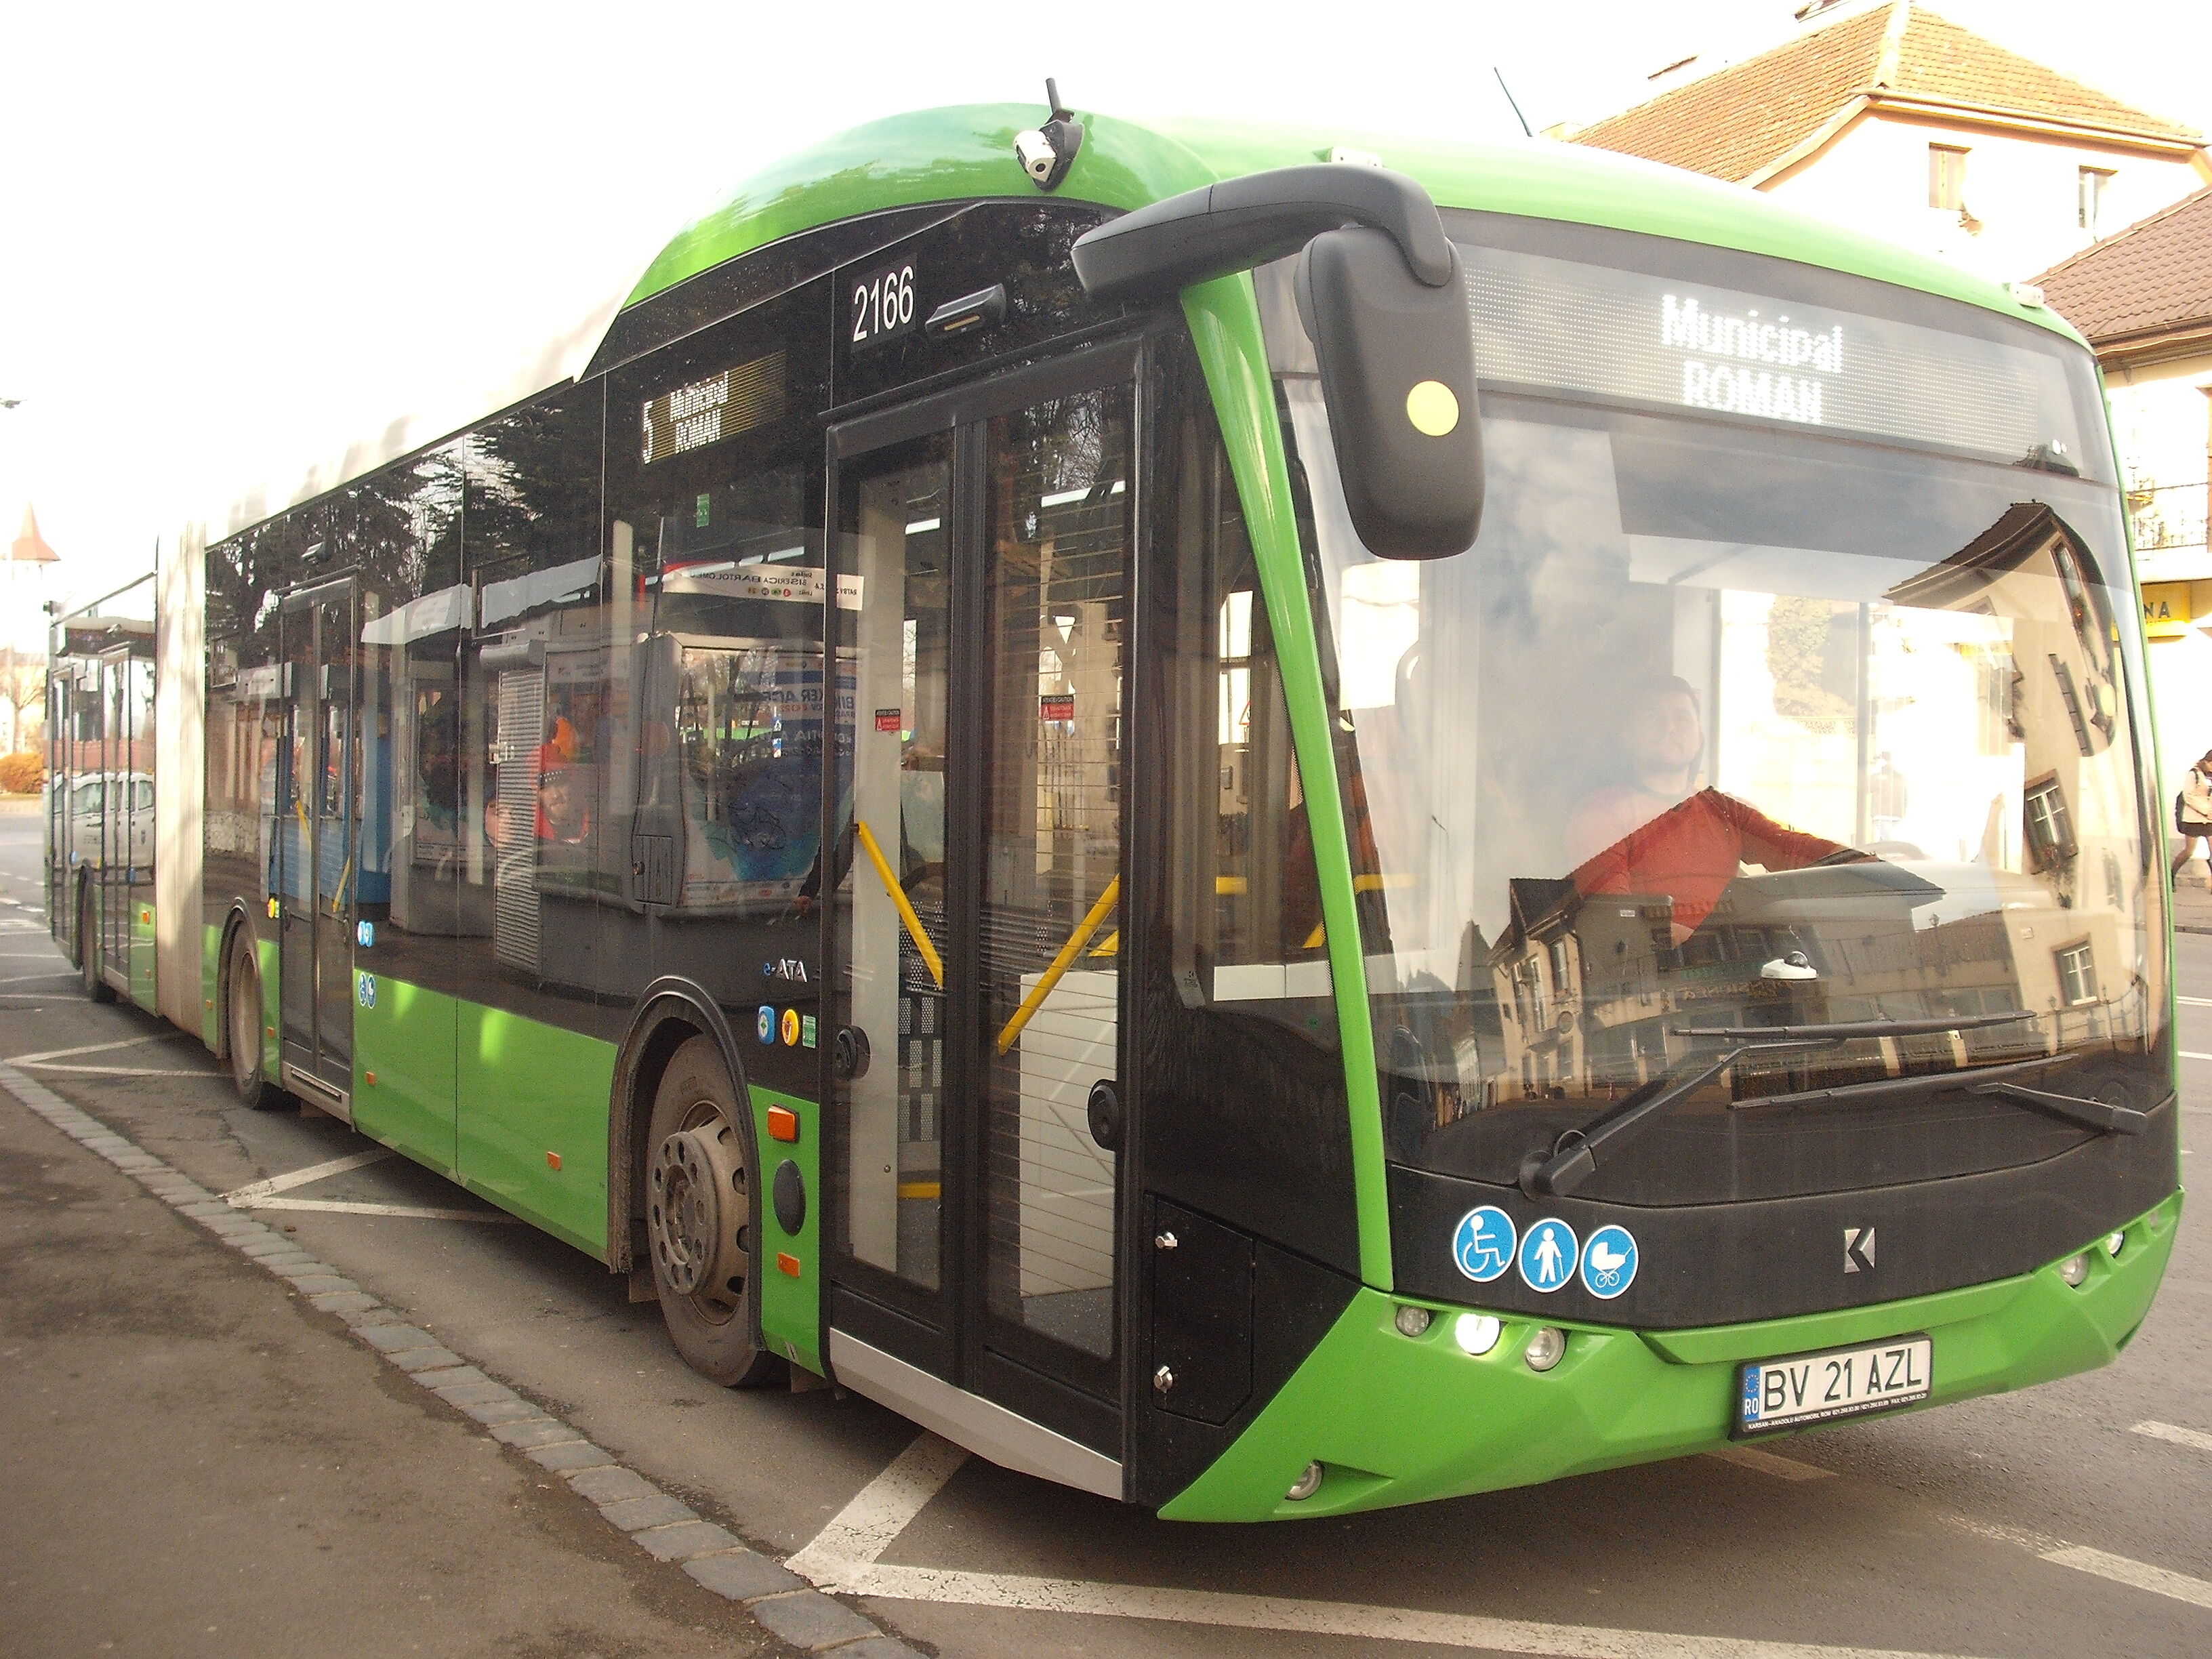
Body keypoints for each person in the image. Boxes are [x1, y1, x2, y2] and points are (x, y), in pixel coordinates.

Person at [1565, 675, 1858, 943]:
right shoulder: (1601, 814)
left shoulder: (1725, 811)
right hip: (1661, 970)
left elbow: (1794, 850)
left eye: (1682, 718)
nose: (1669, 728)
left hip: (1735, 963)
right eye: (1652, 717)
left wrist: (1868, 868)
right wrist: (1719, 944)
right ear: (1626, 736)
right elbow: (1617, 919)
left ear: (1699, 738)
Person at [2173, 749, 2212, 885]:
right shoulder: (2194, 774)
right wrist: (2205, 810)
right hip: (2194, 819)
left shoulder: (2210, 776)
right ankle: (2171, 874)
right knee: (2189, 851)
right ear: (2206, 762)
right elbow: (2188, 796)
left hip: (2209, 819)